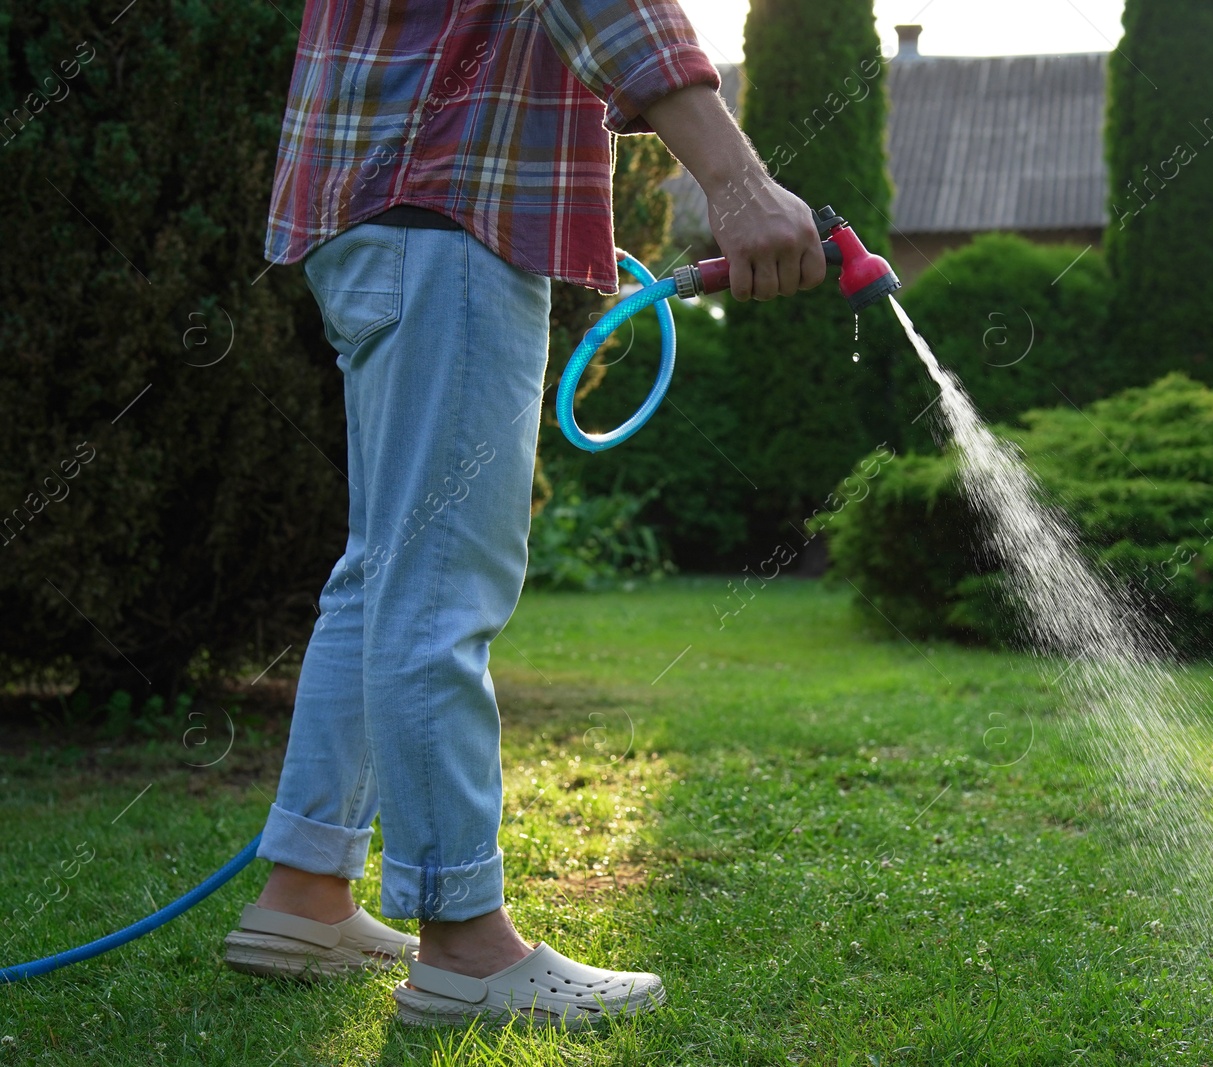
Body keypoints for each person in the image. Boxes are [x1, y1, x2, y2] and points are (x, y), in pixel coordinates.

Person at [220, 0, 825, 1029]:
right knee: (439, 582)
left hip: (373, 210)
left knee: (382, 572)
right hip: (446, 205)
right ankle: (463, 943)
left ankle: (306, 894)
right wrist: (737, 178)